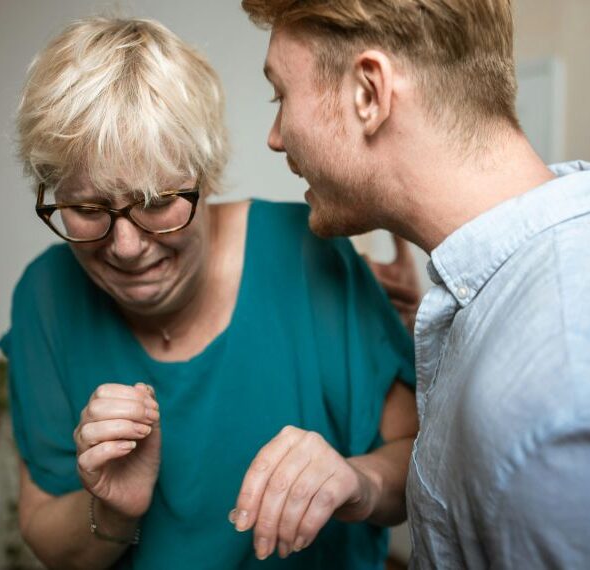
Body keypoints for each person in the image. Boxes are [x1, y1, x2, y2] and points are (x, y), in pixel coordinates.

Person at [0, 16, 419, 570]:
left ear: (206, 173)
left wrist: (359, 481)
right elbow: (50, 540)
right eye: (87, 209)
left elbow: (415, 464)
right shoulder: (46, 297)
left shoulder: (310, 252)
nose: (126, 246)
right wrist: (114, 512)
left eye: (155, 202)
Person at [241, 1, 590, 568]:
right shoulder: (502, 296)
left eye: (281, 95)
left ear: (368, 93)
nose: (276, 138)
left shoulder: (554, 395)